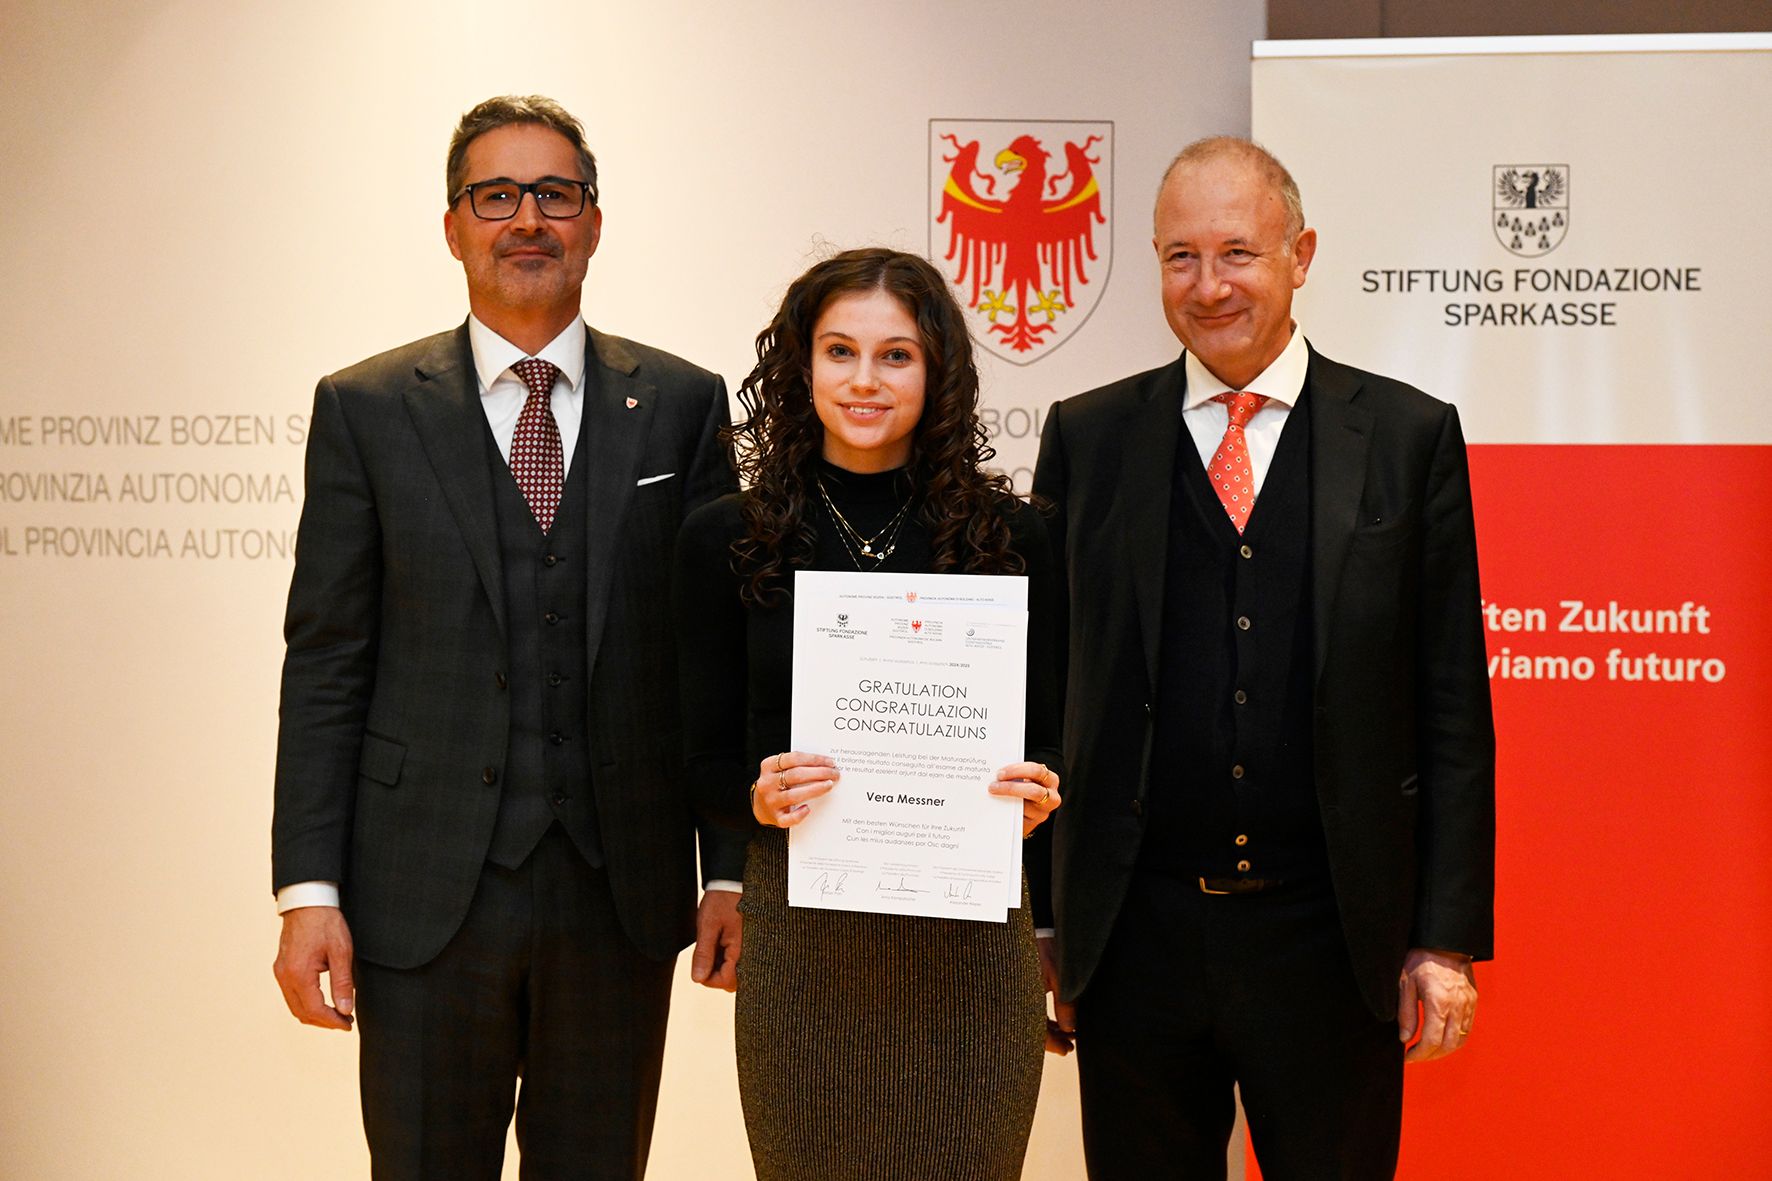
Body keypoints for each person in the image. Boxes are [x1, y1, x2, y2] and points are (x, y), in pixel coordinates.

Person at [269, 95, 745, 1180]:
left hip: (617, 895)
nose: (528, 218)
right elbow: (327, 661)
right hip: (420, 894)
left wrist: (730, 869)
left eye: (555, 194)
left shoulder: (681, 403)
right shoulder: (365, 408)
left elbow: (712, 659)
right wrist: (309, 893)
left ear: (593, 221)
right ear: (453, 226)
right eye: (496, 195)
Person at [1032, 136, 1496, 1178]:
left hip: (1332, 938)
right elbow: (1047, 695)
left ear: (1301, 254)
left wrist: (1443, 937)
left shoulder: (1407, 435)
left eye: (1236, 251)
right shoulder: (1088, 437)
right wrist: (1047, 920)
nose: (1209, 286)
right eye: (1180, 257)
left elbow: (1451, 707)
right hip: (1137, 938)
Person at [674, 247, 1065, 1181]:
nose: (864, 379)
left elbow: (1054, 736)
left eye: (896, 355)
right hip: (803, 945)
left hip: (973, 951)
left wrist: (1038, 791)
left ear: (937, 371)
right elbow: (696, 756)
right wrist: (754, 798)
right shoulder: (726, 536)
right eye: (840, 351)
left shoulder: (1012, 538)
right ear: (801, 365)